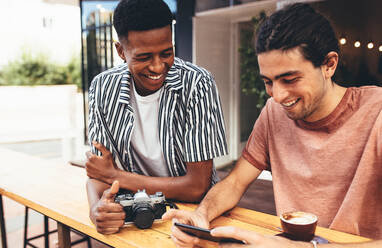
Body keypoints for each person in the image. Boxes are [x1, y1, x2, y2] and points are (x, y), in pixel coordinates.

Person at [163, 3, 382, 247]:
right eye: (268, 81)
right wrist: (201, 215)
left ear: (329, 65)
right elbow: (235, 182)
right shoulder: (273, 113)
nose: (277, 96)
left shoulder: (377, 112)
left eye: (290, 79)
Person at [85, 0, 228, 234]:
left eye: (166, 53)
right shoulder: (102, 88)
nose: (158, 66)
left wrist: (116, 176)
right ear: (121, 51)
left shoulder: (197, 84)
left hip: (194, 214)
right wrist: (96, 209)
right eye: (144, 57)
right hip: (136, 215)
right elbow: (99, 174)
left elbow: (196, 187)